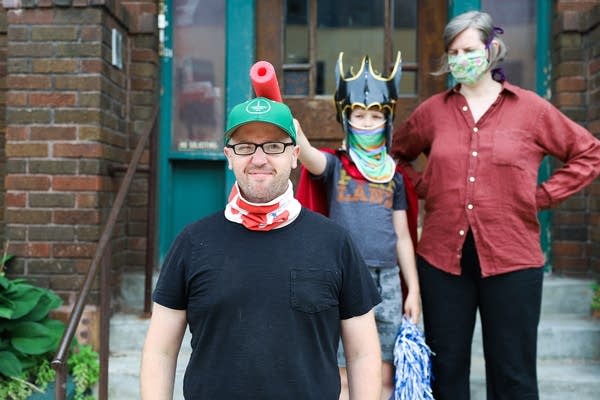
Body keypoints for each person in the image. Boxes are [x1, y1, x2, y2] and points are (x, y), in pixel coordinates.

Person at [391, 11, 600, 400]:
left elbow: (589, 154)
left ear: (490, 50)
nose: (460, 58)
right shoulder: (433, 112)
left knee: (513, 375)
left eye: (468, 49)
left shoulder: (531, 109)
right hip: (442, 262)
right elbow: (395, 158)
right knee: (446, 370)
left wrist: (542, 196)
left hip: (513, 259)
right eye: (453, 51)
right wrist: (425, 187)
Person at [140, 96, 383, 400]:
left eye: (274, 146)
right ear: (229, 156)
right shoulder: (192, 242)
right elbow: (160, 351)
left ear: (295, 155)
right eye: (245, 147)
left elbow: (362, 354)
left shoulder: (335, 242)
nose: (258, 158)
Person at [295, 53, 421, 400]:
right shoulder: (335, 167)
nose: (367, 123)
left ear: (388, 119)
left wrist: (415, 291)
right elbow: (307, 155)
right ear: (346, 119)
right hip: (344, 280)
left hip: (389, 283)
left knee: (381, 376)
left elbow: (403, 237)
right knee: (344, 376)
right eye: (360, 115)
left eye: (376, 115)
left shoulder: (394, 176)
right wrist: (292, 129)